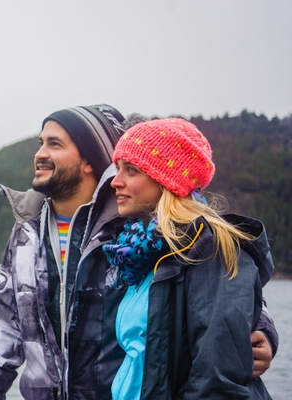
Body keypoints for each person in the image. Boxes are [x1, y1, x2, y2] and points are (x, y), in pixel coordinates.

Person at [0, 106, 278, 400]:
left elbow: (223, 290)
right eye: (40, 142)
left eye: (55, 144)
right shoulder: (27, 231)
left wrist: (261, 330)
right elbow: (7, 331)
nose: (40, 154)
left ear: (89, 160)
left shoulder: (132, 227)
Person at [103, 118, 273, 399]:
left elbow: (217, 384)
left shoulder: (210, 251)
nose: (115, 181)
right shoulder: (143, 255)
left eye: (130, 170)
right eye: (118, 168)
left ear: (166, 180)